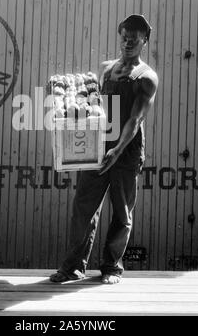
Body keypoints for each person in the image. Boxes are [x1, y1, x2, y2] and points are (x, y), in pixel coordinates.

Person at [50, 14, 159, 284]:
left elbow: (135, 119)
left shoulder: (147, 77)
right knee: (83, 208)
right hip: (97, 148)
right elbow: (93, 108)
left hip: (127, 152)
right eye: (125, 36)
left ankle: (111, 267)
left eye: (134, 38)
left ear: (144, 40)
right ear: (120, 36)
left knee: (122, 212)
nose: (128, 41)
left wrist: (118, 149)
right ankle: (73, 267)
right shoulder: (106, 69)